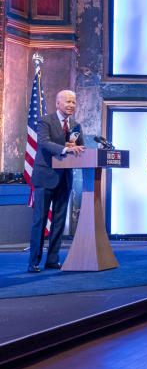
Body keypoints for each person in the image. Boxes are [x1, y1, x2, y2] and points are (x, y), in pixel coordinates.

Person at [27, 89, 85, 272]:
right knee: (40, 221)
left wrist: (74, 147)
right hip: (45, 177)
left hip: (64, 178)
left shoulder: (76, 125)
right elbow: (44, 143)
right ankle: (34, 261)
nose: (71, 105)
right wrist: (64, 149)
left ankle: (52, 260)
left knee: (59, 222)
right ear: (58, 103)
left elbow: (80, 147)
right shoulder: (46, 120)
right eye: (68, 101)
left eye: (74, 102)